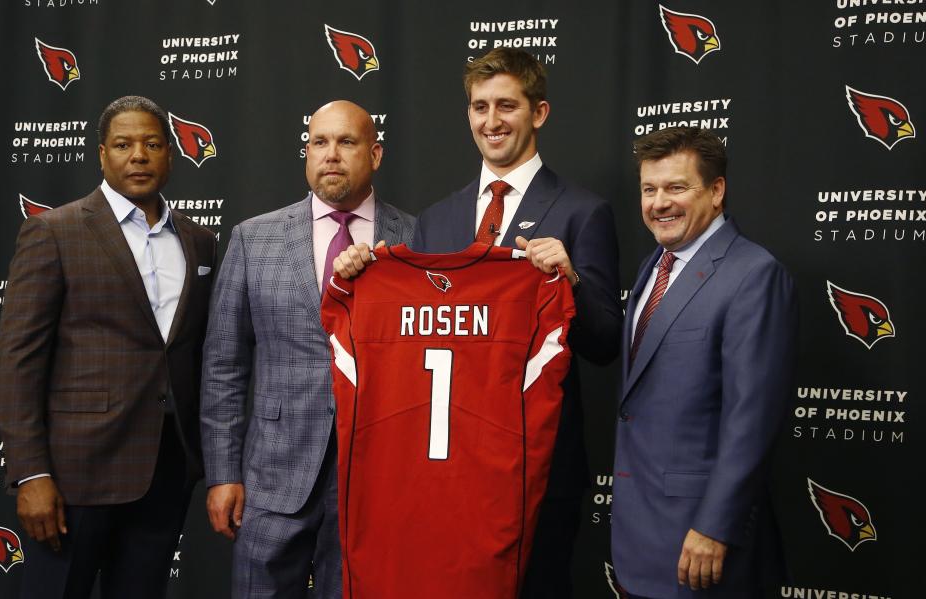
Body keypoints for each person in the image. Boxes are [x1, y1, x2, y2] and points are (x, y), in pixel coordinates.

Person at [333, 48, 622, 597]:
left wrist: (571, 282)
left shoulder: (583, 211)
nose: (492, 121)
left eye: (507, 106)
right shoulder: (437, 218)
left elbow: (607, 341)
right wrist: (361, 274)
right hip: (446, 465)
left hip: (537, 463)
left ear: (538, 113)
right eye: (480, 107)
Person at [0, 95, 217, 599]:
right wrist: (30, 473)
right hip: (75, 476)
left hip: (165, 470)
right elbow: (18, 364)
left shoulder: (199, 240)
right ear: (101, 155)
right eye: (123, 144)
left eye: (152, 144)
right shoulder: (54, 232)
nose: (138, 155)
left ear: (170, 154)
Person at [200, 100, 415, 599]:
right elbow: (223, 366)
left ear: (376, 154)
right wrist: (223, 473)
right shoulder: (254, 239)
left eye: (347, 142)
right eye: (319, 143)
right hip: (273, 474)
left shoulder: (414, 238)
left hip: (376, 478)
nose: (331, 155)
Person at [611, 126, 796, 598]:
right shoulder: (653, 265)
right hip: (640, 537)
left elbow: (751, 418)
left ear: (716, 191)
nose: (659, 203)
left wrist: (715, 527)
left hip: (702, 543)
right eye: (649, 190)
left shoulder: (753, 274)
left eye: (677, 187)